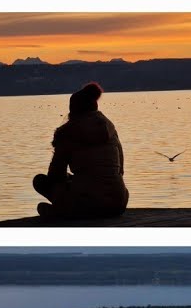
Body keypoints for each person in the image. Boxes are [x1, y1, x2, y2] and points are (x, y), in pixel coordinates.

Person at [31, 82, 129, 220]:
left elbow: (55, 175)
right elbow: (120, 171)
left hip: (89, 205)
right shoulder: (110, 128)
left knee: (40, 182)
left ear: (73, 110)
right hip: (118, 202)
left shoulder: (67, 132)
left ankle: (65, 210)